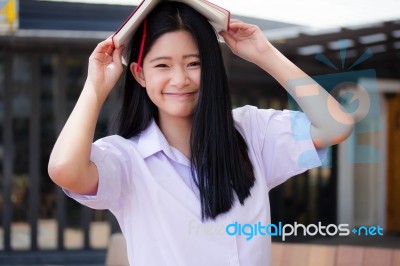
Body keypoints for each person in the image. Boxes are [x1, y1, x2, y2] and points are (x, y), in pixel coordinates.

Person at [48, 1, 354, 265]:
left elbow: (336, 124)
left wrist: (264, 53)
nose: (180, 79)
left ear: (211, 67)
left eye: (194, 63)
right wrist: (96, 87)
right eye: (163, 65)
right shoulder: (127, 160)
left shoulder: (252, 132)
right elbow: (65, 169)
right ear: (140, 74)